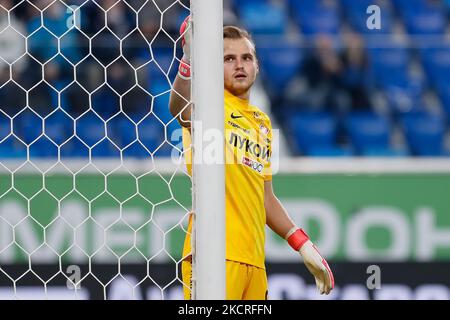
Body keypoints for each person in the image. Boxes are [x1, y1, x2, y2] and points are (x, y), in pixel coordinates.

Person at [169, 17, 334, 300]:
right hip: (214, 256)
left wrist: (302, 244)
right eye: (228, 58)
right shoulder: (208, 103)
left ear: (257, 65)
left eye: (246, 57)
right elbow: (180, 108)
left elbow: (265, 197)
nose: (239, 64)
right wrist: (188, 58)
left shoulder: (262, 123)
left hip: (254, 261)